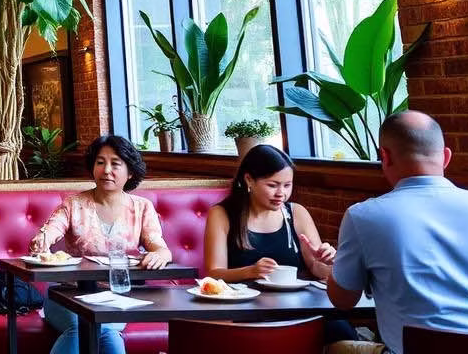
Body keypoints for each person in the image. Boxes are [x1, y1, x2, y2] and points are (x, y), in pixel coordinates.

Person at [311, 111, 468, 354]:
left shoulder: (363, 216)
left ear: (385, 157)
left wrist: (330, 271)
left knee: (333, 348)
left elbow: (343, 301)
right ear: (445, 157)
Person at [30, 136, 172, 354]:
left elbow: (158, 246)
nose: (106, 170)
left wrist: (161, 254)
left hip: (116, 296)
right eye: (100, 162)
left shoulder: (142, 208)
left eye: (115, 164)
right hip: (66, 294)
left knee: (105, 330)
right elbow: (51, 230)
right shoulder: (73, 204)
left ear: (130, 172)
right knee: (80, 328)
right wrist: (42, 240)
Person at [203, 144, 356, 344]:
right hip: (247, 307)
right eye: (273, 185)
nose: (281, 193)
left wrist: (327, 261)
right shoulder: (222, 214)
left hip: (300, 306)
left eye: (287, 185)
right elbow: (213, 273)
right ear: (249, 180)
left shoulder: (296, 213)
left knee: (342, 332)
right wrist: (250, 271)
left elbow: (317, 268)